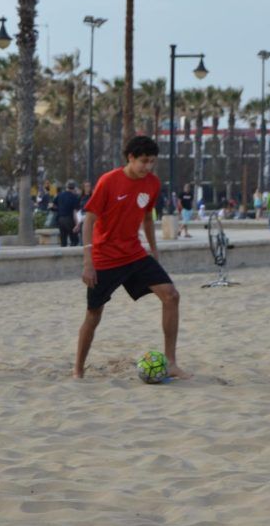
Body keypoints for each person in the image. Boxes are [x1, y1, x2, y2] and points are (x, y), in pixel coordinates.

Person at [74, 135, 190, 381]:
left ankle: (171, 362)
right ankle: (78, 369)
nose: (148, 167)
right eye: (144, 162)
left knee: (171, 296)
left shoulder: (153, 183)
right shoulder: (109, 181)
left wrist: (154, 250)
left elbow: (147, 217)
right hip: (104, 258)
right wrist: (88, 262)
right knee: (93, 315)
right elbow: (89, 220)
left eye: (152, 162)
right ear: (131, 158)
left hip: (135, 254)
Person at [53, 180, 81, 247]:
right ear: (74, 188)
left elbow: (53, 205)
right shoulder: (74, 197)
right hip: (69, 219)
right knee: (74, 240)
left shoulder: (60, 195)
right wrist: (77, 224)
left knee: (63, 240)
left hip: (60, 219)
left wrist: (59, 209)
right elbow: (75, 212)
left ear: (66, 187)